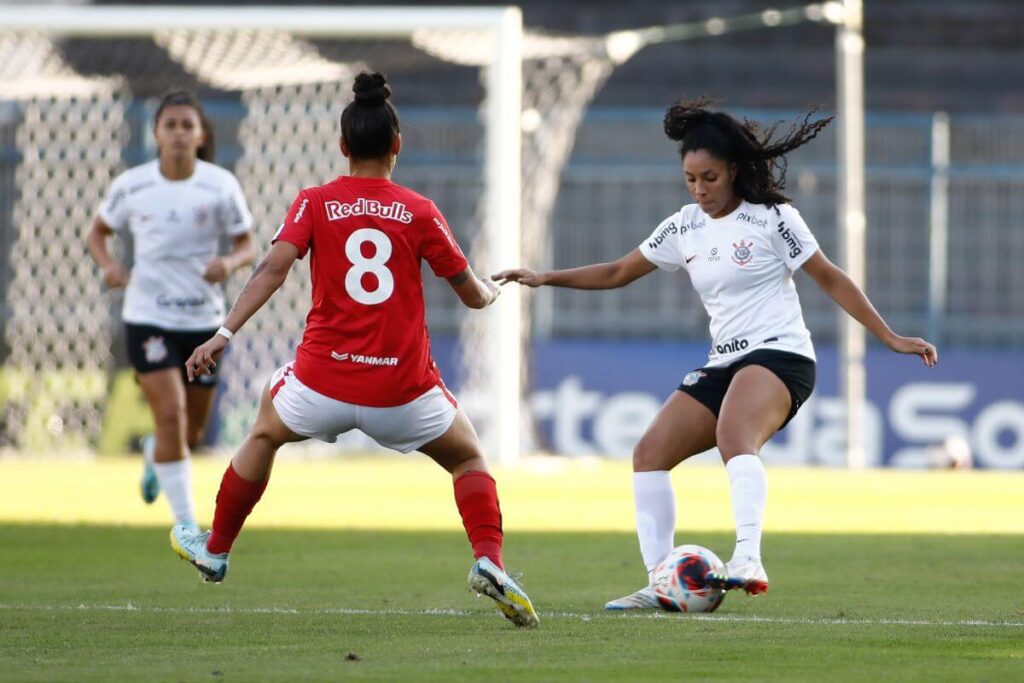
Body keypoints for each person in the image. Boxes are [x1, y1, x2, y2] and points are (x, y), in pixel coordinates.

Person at [494, 96, 937, 609]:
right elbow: (618, 272)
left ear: (734, 170)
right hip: (723, 361)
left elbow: (830, 277)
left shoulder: (774, 219)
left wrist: (890, 336)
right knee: (648, 454)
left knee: (733, 433)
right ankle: (662, 581)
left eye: (710, 178)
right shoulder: (684, 226)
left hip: (781, 356)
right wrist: (546, 277)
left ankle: (748, 556)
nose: (700, 190)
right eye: (690, 179)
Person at [169, 72, 539, 629]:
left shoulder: (315, 201)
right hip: (402, 391)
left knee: (265, 431)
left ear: (342, 147)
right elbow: (470, 293)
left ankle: (215, 548)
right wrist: (491, 290)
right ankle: (488, 560)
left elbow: (273, 268)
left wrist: (224, 334)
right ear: (397, 145)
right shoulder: (419, 210)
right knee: (467, 457)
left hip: (321, 385)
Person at [87, 90, 257, 531]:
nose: (179, 133)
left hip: (204, 322)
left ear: (201, 134)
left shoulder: (220, 185)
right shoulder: (133, 185)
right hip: (148, 317)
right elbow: (98, 233)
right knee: (170, 415)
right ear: (156, 132)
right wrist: (108, 266)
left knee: (190, 434)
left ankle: (154, 453)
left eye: (188, 125)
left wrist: (230, 262)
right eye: (171, 125)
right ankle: (186, 527)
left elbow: (248, 244)